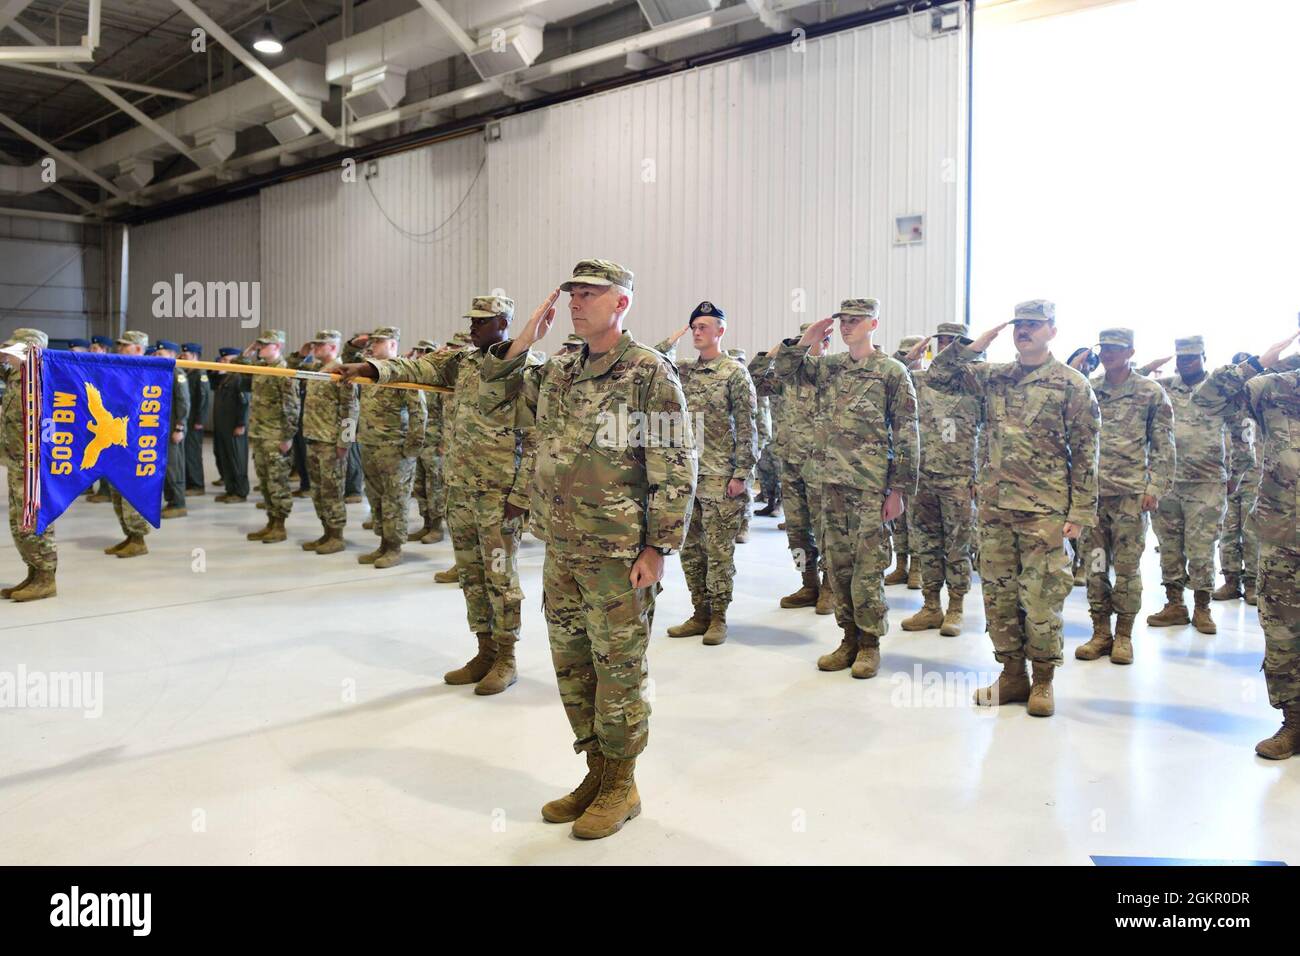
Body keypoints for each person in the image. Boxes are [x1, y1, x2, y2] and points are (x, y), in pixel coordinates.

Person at [478, 259, 697, 839]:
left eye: (591, 294)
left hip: (617, 556)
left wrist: (658, 549)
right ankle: (596, 773)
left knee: (618, 670)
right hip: (562, 549)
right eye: (572, 294)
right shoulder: (561, 368)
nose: (577, 303)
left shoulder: (651, 373)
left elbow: (675, 467)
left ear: (620, 304)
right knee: (572, 669)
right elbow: (492, 389)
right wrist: (527, 337)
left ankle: (622, 785)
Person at [344, 298, 538, 693]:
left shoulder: (526, 367)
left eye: (481, 322)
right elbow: (417, 367)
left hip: (499, 491)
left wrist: (524, 491)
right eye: (471, 321)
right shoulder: (462, 363)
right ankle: (483, 650)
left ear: (503, 323)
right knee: (471, 574)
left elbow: (538, 433)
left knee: (500, 575)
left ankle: (506, 657)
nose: (472, 328)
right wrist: (369, 368)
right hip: (462, 486)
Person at [923, 300, 1099, 717]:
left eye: (1034, 325)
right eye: (1020, 324)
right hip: (996, 510)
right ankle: (1011, 675)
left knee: (1040, 600)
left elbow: (1088, 453)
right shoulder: (994, 376)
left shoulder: (1072, 385)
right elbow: (939, 378)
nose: (1025, 331)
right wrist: (972, 346)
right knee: (999, 599)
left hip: (1046, 513)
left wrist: (1079, 513)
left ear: (1052, 330)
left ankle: (1042, 681)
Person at [774, 298, 919, 678]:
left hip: (869, 487)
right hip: (827, 484)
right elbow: (784, 372)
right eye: (843, 321)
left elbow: (906, 433)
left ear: (873, 324)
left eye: (856, 320)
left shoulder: (891, 371)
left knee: (867, 569)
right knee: (837, 568)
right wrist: (806, 339)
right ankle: (848, 638)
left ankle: (869, 644)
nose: (847, 326)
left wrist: (899, 490)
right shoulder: (829, 368)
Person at [1188, 332, 1300, 757]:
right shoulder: (1276, 387)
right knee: (1283, 635)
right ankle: (1294, 722)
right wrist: (1255, 364)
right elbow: (1205, 402)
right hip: (1282, 538)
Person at [1072, 329, 1175, 665]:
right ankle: (1101, 632)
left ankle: (1124, 636)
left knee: (1128, 569)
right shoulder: (1090, 390)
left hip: (1131, 498)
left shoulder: (1149, 392)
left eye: (1116, 349)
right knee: (1097, 566)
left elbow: (1163, 445)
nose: (1109, 354)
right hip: (1094, 498)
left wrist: (1155, 487)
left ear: (1130, 351)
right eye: (1105, 348)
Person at [664, 303, 757, 646]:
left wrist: (742, 474)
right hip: (688, 476)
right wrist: (671, 339)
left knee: (718, 552)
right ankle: (699, 612)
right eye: (693, 327)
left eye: (704, 326)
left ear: (721, 331)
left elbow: (749, 427)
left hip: (721, 476)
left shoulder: (734, 373)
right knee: (690, 550)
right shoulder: (683, 372)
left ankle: (719, 616)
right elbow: (655, 361)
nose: (697, 332)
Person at [1146, 336, 1242, 635]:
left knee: (1201, 550)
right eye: (1180, 357)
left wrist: (1234, 476)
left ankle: (1202, 608)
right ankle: (1175, 604)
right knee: (1170, 547)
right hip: (1168, 483)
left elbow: (1242, 434)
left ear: (1203, 356)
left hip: (1207, 484)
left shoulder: (1218, 391)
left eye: (1191, 357)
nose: (1185, 362)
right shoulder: (1164, 389)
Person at [899, 322, 984, 636]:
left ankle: (956, 608)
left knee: (957, 546)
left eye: (953, 343)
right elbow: (893, 377)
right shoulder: (922, 381)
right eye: (943, 343)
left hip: (960, 477)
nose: (947, 349)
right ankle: (931, 606)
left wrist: (980, 474)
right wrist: (908, 357)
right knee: (927, 543)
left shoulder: (975, 383)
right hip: (924, 476)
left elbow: (991, 432)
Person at [355, 326, 426, 569]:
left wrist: (412, 448)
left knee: (395, 499)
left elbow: (419, 411)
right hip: (370, 445)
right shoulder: (369, 371)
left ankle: (394, 548)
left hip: (395, 449)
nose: (373, 346)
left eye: (379, 342)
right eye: (372, 342)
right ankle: (383, 543)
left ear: (393, 344)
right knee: (375, 497)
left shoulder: (403, 372)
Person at [1, 328, 57, 601]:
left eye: (15, 349)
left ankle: (46, 577)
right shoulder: (15, 375)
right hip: (16, 462)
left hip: (33, 465)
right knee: (18, 522)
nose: (8, 354)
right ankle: (34, 573)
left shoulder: (43, 379)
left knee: (36, 520)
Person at [299, 330, 357, 555]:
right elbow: (292, 370)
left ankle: (336, 535)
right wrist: (302, 354)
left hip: (331, 442)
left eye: (319, 345)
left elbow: (351, 408)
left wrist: (345, 442)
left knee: (332, 490)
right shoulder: (317, 369)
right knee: (318, 490)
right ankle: (326, 531)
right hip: (314, 437)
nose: (314, 348)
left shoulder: (341, 371)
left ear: (332, 347)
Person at [241, 330, 299, 543]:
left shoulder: (283, 371)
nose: (260, 348)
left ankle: (280, 525)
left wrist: (288, 436)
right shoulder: (261, 368)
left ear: (278, 347)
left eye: (265, 345)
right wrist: (248, 351)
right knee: (264, 482)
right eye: (259, 345)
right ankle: (271, 522)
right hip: (259, 433)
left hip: (276, 435)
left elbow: (292, 406)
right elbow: (238, 367)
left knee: (277, 482)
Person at [1214, 351, 1260, 605]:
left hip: (1255, 477)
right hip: (1228, 477)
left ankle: (1253, 583)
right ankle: (1231, 581)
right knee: (1228, 531)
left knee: (1251, 531)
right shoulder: (1224, 405)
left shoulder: (1261, 400)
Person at [104, 331, 154, 558]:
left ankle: (139, 539)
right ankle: (129, 535)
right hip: (116, 439)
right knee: (117, 491)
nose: (120, 349)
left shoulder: (149, 372)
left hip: (135, 441)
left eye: (125, 346)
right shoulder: (121, 369)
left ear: (137, 348)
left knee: (132, 490)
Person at [406, 339, 447, 545]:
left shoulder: (439, 382)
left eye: (426, 352)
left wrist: (444, 442)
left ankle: (437, 526)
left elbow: (448, 414)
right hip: (420, 442)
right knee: (420, 485)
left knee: (435, 485)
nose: (421, 355)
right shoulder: (417, 382)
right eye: (419, 351)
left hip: (435, 443)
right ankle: (426, 523)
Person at [155, 340, 191, 519]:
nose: (157, 357)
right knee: (165, 466)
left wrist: (179, 427)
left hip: (172, 428)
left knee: (173, 466)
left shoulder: (177, 374)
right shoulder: (162, 373)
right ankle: (171, 500)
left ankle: (178, 503)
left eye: (161, 354)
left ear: (173, 355)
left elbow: (183, 402)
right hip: (162, 428)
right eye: (156, 354)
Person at [212, 347, 250, 502]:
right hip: (223, 426)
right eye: (222, 360)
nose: (223, 362)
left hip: (235, 427)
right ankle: (230, 489)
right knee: (226, 458)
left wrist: (241, 423)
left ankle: (240, 492)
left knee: (237, 460)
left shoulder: (239, 377)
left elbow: (244, 403)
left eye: (227, 360)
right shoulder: (226, 377)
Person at [180, 343, 211, 496]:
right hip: (188, 419)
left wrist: (200, 419)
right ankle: (189, 483)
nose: (182, 357)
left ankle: (197, 485)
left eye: (185, 356)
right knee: (187, 452)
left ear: (194, 356)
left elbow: (204, 398)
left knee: (193, 453)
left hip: (195, 421)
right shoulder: (187, 373)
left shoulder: (200, 373)